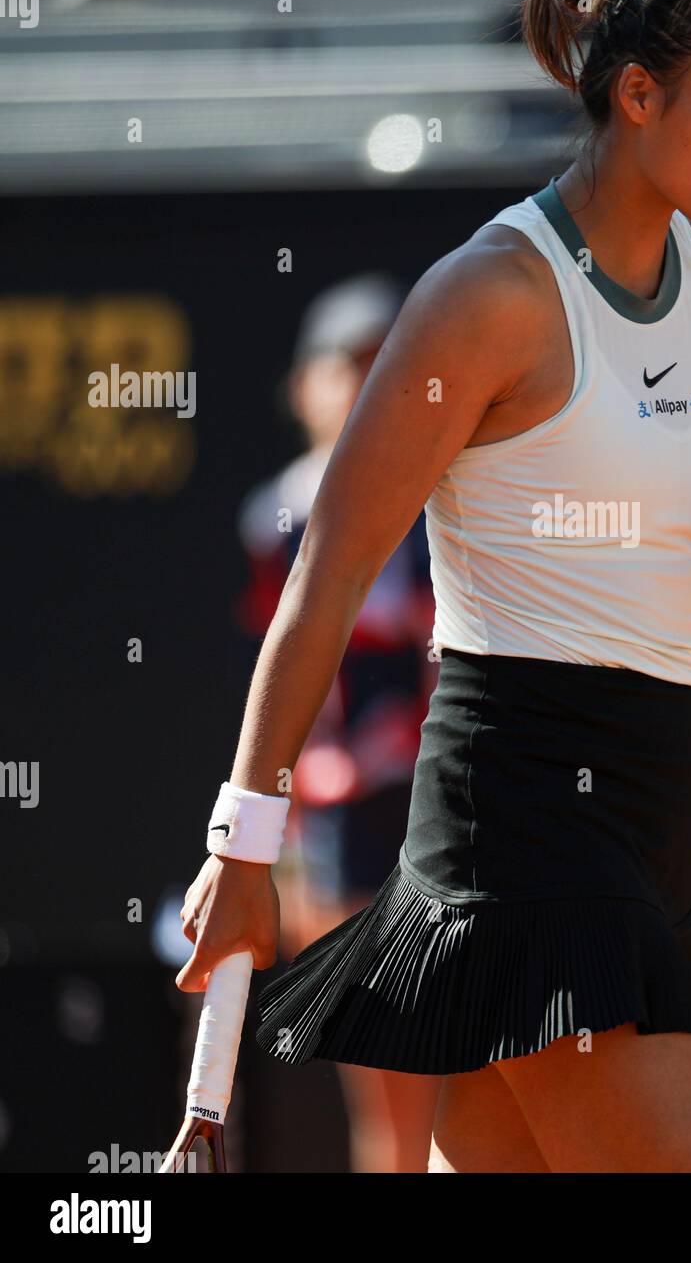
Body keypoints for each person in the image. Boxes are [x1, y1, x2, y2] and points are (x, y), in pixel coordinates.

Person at [177, 0, 691, 1173]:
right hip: (518, 827)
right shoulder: (488, 298)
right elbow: (330, 572)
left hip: (651, 824)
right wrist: (242, 847)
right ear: (637, 94)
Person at [234, 274, 440, 1172]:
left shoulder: (455, 495)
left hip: (454, 826)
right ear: (300, 386)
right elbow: (283, 689)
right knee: (386, 1093)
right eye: (346, 363)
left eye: (382, 361)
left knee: (472, 1085)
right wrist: (281, 831)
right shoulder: (273, 519)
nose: (365, 381)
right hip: (342, 843)